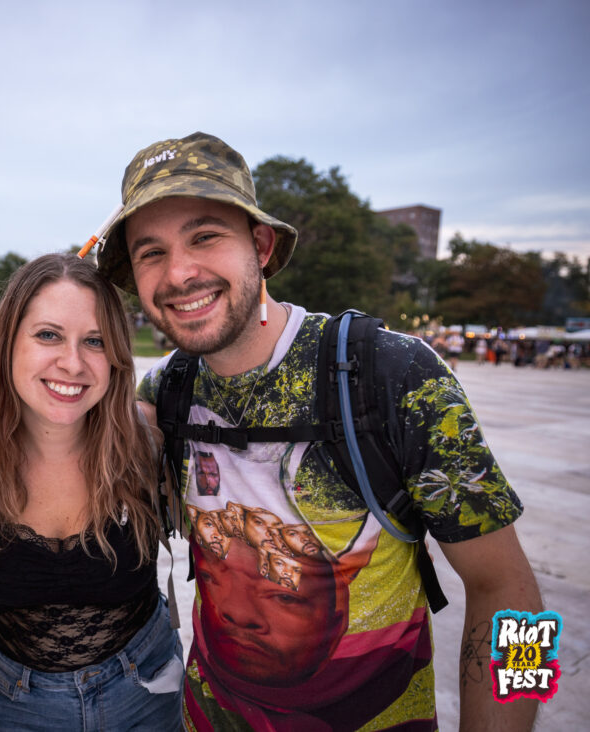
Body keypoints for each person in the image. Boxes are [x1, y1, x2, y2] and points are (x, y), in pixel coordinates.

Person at [95, 132, 542, 730]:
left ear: (260, 245)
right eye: (151, 252)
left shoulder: (394, 374)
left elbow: (512, 595)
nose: (179, 273)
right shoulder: (165, 391)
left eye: (205, 236)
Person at [0, 253, 183, 731]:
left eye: (95, 341)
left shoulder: (145, 439)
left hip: (149, 690)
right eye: (48, 335)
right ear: (8, 342)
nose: (73, 363)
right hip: (16, 706)